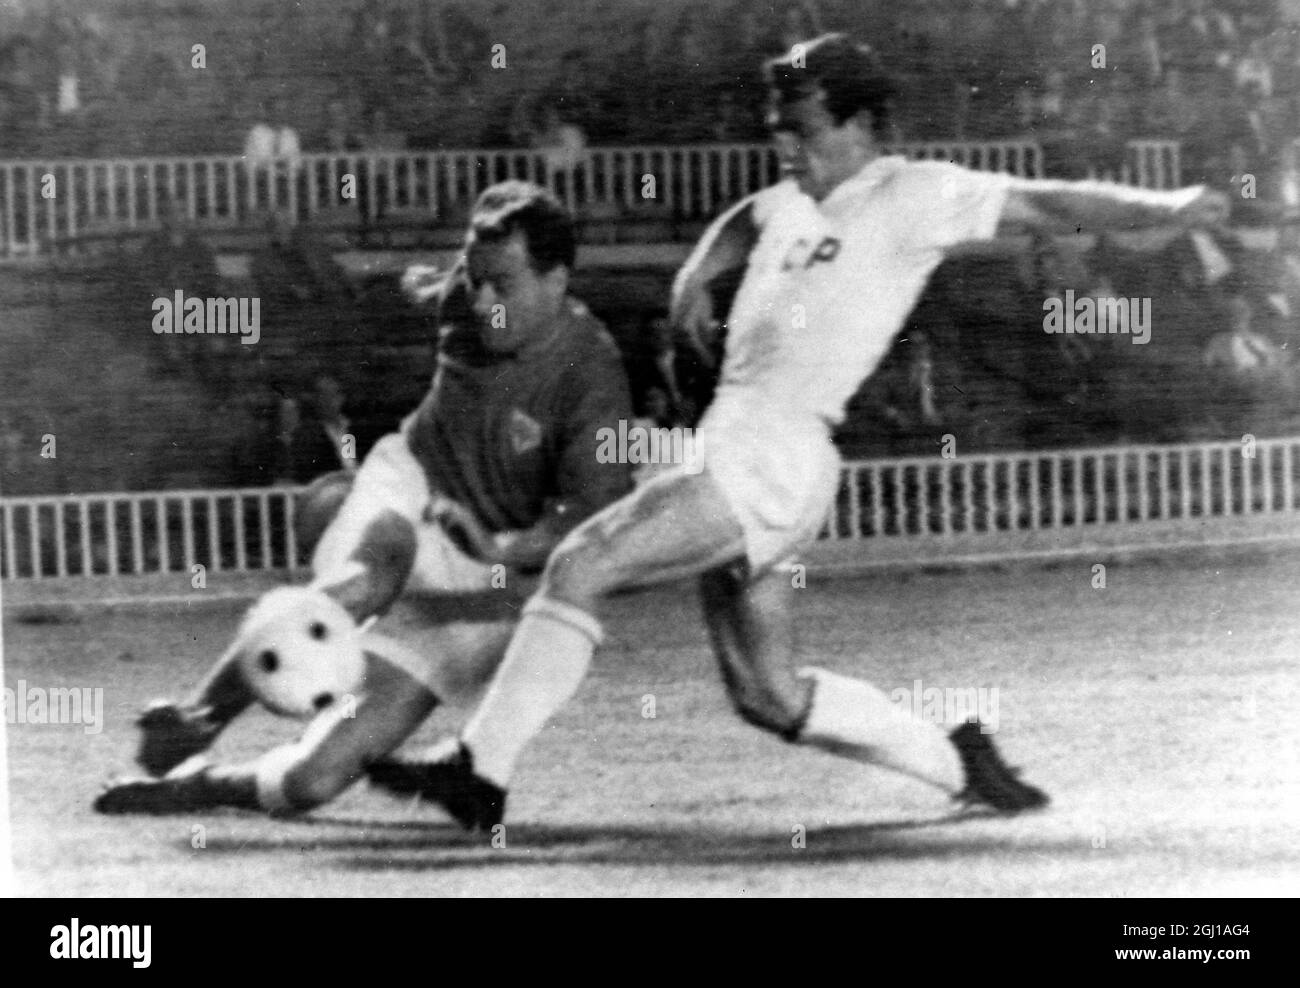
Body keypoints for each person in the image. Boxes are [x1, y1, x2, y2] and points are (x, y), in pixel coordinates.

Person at [365, 33, 1230, 831]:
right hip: (735, 448)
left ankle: (482, 767)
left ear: (860, 123)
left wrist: (1177, 202)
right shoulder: (786, 201)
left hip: (775, 453)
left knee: (581, 563)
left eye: (804, 127)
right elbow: (745, 217)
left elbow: (1050, 204)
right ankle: (958, 761)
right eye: (777, 127)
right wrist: (701, 276)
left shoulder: (914, 192)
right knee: (767, 697)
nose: (785, 143)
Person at [93, 182, 635, 816]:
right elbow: (423, 287)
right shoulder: (465, 296)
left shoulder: (595, 377)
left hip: (485, 582)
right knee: (371, 575)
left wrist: (500, 548)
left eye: (501, 286)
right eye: (475, 278)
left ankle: (198, 784)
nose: (480, 298)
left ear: (558, 280)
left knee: (311, 782)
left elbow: (590, 521)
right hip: (413, 483)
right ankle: (197, 719)